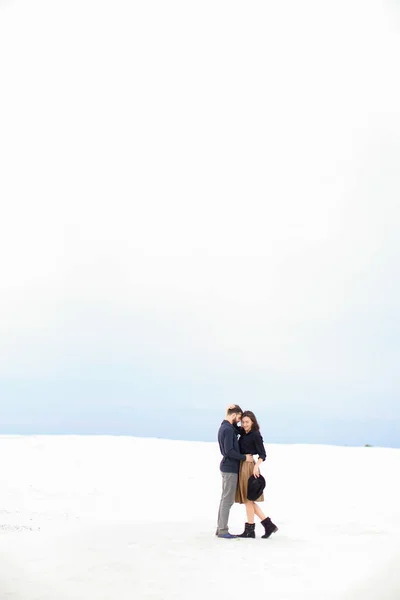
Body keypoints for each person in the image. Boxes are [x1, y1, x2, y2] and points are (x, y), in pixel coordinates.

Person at [234, 410, 278, 539]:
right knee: (249, 501)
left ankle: (250, 529)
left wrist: (256, 467)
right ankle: (268, 525)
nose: (245, 424)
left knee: (249, 500)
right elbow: (231, 426)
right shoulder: (243, 432)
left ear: (253, 422)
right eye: (243, 422)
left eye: (247, 422)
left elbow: (263, 454)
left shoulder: (255, 435)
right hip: (242, 465)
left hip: (250, 467)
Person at [216, 405, 254, 539]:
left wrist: (228, 412)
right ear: (233, 415)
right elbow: (229, 451)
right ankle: (222, 530)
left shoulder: (227, 427)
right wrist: (245, 458)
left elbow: (238, 430)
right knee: (227, 500)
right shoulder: (227, 429)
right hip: (230, 469)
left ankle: (220, 528)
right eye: (238, 418)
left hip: (228, 468)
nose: (239, 422)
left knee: (225, 499)